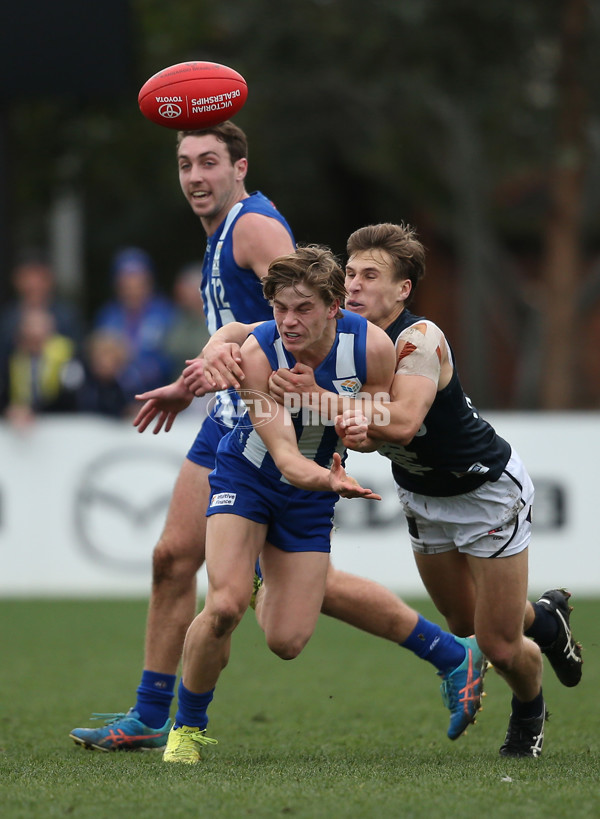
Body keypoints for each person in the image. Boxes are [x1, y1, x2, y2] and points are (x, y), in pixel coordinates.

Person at [261, 223, 583, 758]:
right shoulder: (351, 343)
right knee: (463, 624)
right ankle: (546, 619)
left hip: (484, 493)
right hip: (421, 496)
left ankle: (529, 711)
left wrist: (321, 399)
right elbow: (369, 429)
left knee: (499, 644)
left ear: (404, 289)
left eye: (370, 276)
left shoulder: (421, 337)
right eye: (350, 275)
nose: (355, 286)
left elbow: (406, 421)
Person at [162, 245, 487, 764]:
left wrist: (356, 434)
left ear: (335, 305)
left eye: (303, 309)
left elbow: (379, 429)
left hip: (310, 499)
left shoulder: (374, 348)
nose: (289, 321)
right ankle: (187, 730)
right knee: (222, 606)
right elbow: (287, 459)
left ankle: (261, 577)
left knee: (286, 642)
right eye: (280, 309)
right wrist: (332, 480)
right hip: (249, 478)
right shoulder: (259, 354)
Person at [69, 121, 297, 751]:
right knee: (173, 559)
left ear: (240, 168)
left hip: (263, 420)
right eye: (185, 164)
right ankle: (148, 717)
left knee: (282, 600)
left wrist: (226, 354)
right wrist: (191, 380)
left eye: (209, 163)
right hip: (226, 414)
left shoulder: (252, 226)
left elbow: (304, 312)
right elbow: (247, 327)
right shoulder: (219, 232)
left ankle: (450, 651)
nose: (196, 177)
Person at [93, 247, 176, 396]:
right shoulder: (107, 315)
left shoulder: (166, 314)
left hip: (160, 392)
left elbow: (174, 357)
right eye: (126, 281)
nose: (132, 288)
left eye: (137, 280)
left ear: (149, 281)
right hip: (115, 396)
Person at [0, 305, 80, 429]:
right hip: (19, 429)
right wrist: (10, 409)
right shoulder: (11, 356)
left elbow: (71, 396)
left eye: (39, 326)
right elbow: (5, 393)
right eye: (29, 326)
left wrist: (33, 410)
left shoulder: (68, 355)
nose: (34, 332)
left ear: (51, 329)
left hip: (59, 427)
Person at [0, 249, 84, 360]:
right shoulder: (7, 318)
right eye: (27, 277)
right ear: (17, 280)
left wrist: (52, 338)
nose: (34, 283)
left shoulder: (67, 316)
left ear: (50, 279)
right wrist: (20, 339)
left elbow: (79, 354)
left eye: (39, 277)